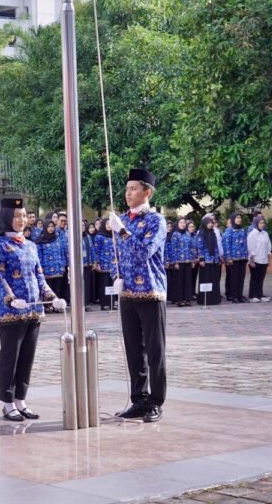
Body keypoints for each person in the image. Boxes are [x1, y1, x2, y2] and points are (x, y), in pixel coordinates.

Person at [0, 198, 65, 422]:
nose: (21, 220)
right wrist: (10, 298)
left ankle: (20, 400)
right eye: (16, 216)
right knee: (10, 358)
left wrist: (52, 297)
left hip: (33, 311)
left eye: (23, 216)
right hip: (11, 311)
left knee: (27, 358)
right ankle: (7, 402)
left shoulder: (31, 245)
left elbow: (39, 276)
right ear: (6, 218)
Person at [108, 168, 167, 423]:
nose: (128, 193)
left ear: (147, 192)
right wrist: (115, 276)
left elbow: (144, 251)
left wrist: (122, 231)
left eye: (133, 188)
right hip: (128, 292)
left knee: (155, 350)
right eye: (127, 188)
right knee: (133, 349)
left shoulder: (156, 221)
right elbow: (115, 254)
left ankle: (156, 401)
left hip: (151, 293)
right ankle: (139, 399)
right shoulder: (123, 219)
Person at [35, 219, 67, 310]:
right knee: (48, 288)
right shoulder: (40, 240)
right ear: (45, 227)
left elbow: (61, 252)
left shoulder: (57, 238)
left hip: (58, 268)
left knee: (57, 287)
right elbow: (38, 255)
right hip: (46, 268)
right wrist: (40, 267)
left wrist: (63, 264)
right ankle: (48, 306)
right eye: (48, 227)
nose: (51, 229)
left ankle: (57, 306)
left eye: (52, 226)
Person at [223, 212, 249, 303]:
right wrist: (228, 257)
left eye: (240, 218)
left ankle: (239, 295)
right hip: (233, 258)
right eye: (237, 218)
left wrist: (246, 255)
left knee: (241, 277)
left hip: (242, 258)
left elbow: (245, 244)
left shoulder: (242, 230)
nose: (239, 219)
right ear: (233, 219)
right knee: (234, 277)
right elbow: (226, 245)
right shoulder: (229, 231)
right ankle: (233, 296)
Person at [169, 217, 195, 307]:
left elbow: (191, 247)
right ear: (178, 224)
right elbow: (173, 249)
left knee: (188, 281)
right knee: (179, 282)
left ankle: (187, 299)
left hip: (188, 261)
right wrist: (175, 262)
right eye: (181, 223)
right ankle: (180, 300)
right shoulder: (175, 235)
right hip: (179, 262)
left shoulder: (188, 234)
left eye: (184, 223)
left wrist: (192, 260)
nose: (183, 224)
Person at [196, 217, 221, 305]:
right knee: (205, 280)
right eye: (208, 223)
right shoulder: (201, 234)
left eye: (211, 223)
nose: (210, 224)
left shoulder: (213, 233)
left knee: (214, 280)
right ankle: (205, 299)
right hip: (205, 261)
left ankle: (214, 299)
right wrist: (201, 259)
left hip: (213, 260)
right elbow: (199, 247)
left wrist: (217, 258)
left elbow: (216, 247)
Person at [93, 219, 117, 311]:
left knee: (113, 284)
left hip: (113, 264)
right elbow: (96, 251)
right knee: (104, 284)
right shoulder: (99, 236)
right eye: (107, 224)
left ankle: (112, 303)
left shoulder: (114, 236)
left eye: (111, 224)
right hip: (103, 264)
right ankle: (104, 303)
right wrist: (97, 262)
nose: (109, 225)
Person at [247, 215, 272, 303]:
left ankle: (259, 294)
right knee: (255, 278)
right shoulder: (252, 234)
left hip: (263, 259)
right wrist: (251, 260)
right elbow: (251, 248)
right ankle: (252, 295)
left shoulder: (265, 233)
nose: (262, 225)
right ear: (256, 223)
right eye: (260, 223)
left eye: (263, 223)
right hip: (255, 260)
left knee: (261, 278)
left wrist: (268, 259)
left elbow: (268, 246)